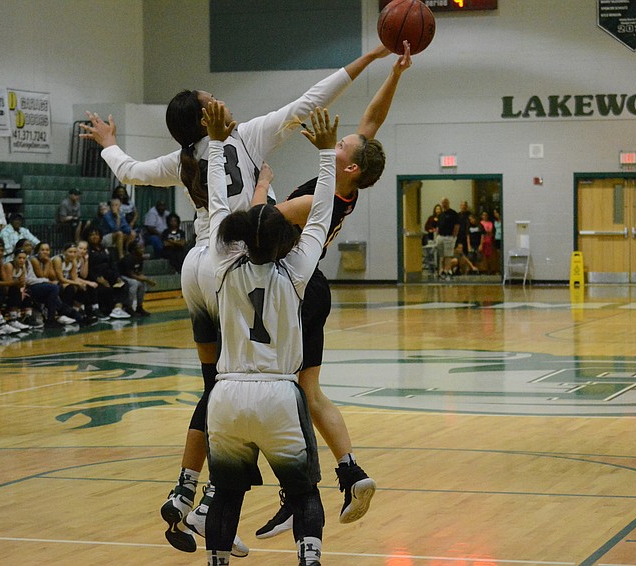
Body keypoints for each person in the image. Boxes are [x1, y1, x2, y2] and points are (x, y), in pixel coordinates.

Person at [80, 43, 394, 555]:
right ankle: (256, 495)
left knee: (217, 387)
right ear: (210, 115)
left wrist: (110, 143)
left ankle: (190, 491)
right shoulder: (243, 138)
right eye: (215, 97)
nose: (223, 100)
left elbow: (131, 173)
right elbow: (311, 99)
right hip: (241, 262)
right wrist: (366, 60)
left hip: (199, 267)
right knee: (266, 384)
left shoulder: (182, 157)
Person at [256, 43, 412, 539]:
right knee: (306, 391)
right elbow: (373, 119)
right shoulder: (345, 178)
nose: (342, 137)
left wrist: (260, 183)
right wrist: (394, 69)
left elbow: (259, 223)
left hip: (298, 290)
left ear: (347, 167)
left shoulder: (315, 200)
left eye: (343, 144)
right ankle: (350, 473)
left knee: (280, 394)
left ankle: (298, 494)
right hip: (311, 288)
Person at [202, 101, 335, 566]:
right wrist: (326, 156)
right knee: (303, 492)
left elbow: (219, 204)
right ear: (284, 240)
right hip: (278, 394)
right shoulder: (296, 272)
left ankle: (216, 561)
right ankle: (309, 560)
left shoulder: (221, 267)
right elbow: (319, 218)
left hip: (227, 394)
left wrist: (217, 145)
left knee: (225, 496)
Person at [0, 237, 32, 331]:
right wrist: (13, 282)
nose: (0, 253)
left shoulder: (0, 261)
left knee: (14, 289)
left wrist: (16, 285)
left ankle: (13, 319)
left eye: (2, 250)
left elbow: (4, 279)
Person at [118, 240, 156, 316]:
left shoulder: (140, 258)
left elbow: (138, 272)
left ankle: (139, 307)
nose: (143, 249)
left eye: (143, 247)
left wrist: (145, 278)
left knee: (142, 284)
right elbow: (131, 275)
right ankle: (129, 307)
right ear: (133, 250)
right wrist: (147, 280)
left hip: (130, 276)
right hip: (121, 276)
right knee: (134, 283)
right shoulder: (128, 258)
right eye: (140, 248)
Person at [435, 196, 460, 279]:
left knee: (448, 255)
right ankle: (442, 270)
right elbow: (438, 226)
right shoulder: (440, 215)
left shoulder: (453, 213)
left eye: (445, 202)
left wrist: (454, 236)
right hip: (440, 237)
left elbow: (456, 226)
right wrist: (437, 235)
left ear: (448, 202)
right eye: (442, 202)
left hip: (449, 237)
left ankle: (447, 270)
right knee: (441, 255)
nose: (444, 204)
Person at [479, 211, 496, 275]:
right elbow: (482, 232)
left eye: (486, 215)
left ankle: (490, 269)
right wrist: (486, 231)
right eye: (483, 215)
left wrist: (486, 231)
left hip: (489, 241)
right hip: (482, 241)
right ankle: (484, 270)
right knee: (483, 256)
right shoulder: (480, 223)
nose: (485, 216)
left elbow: (490, 231)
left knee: (489, 256)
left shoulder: (490, 223)